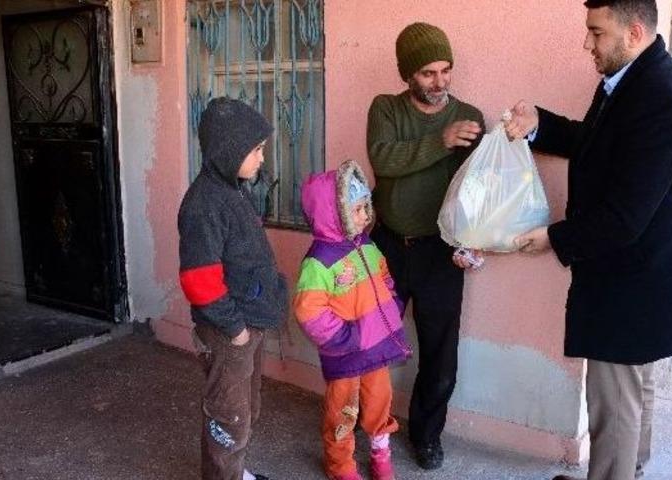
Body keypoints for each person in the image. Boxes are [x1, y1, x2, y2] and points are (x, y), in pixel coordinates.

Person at [504, 1, 672, 479]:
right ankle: (630, 471)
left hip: (634, 282)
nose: (586, 44)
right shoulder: (631, 80)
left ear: (633, 31)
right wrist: (539, 126)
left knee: (614, 405)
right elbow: (595, 142)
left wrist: (552, 237)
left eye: (596, 32)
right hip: (641, 277)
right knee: (634, 392)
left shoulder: (660, 101)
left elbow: (624, 217)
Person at [366, 22, 485, 470]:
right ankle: (366, 426)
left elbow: (476, 192)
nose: (439, 82)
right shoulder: (385, 109)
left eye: (445, 70)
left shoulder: (469, 115)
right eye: (428, 73)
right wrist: (440, 141)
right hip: (387, 247)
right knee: (371, 345)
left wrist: (472, 242)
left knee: (440, 355)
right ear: (407, 75)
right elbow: (383, 159)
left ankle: (426, 436)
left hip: (440, 252)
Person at [178, 97, 288, 480]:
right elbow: (199, 280)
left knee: (245, 409)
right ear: (229, 149)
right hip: (229, 332)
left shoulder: (232, 190)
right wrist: (236, 330)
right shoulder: (203, 205)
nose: (261, 159)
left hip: (246, 326)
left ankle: (234, 473)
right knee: (228, 418)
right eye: (256, 150)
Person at [293, 160, 412, 480]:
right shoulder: (318, 263)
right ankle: (340, 465)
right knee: (342, 410)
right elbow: (309, 310)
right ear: (336, 214)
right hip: (346, 353)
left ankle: (380, 453)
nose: (366, 216)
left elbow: (385, 278)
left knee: (379, 402)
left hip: (376, 349)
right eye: (358, 210)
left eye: (366, 208)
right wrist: (346, 339)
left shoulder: (368, 246)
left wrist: (392, 306)